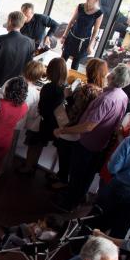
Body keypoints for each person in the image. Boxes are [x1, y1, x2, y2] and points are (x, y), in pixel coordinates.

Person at [52, 64, 130, 212]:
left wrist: (63, 130)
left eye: (111, 72)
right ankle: (78, 198)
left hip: (88, 143)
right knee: (86, 177)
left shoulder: (107, 99)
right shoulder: (123, 97)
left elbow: (88, 126)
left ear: (112, 77)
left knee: (77, 176)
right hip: (101, 143)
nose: (108, 73)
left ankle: (68, 204)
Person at [48, 58, 108, 188]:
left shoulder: (86, 89)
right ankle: (61, 176)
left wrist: (68, 96)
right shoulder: (101, 90)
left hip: (72, 128)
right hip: (82, 132)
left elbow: (75, 111)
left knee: (64, 155)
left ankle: (62, 180)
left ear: (89, 71)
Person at [20, 58, 67, 176]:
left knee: (33, 146)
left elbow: (42, 107)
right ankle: (33, 166)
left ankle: (27, 167)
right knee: (40, 145)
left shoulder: (48, 88)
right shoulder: (63, 88)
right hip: (51, 124)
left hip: (42, 122)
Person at [0, 11, 35, 93]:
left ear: (9, 21)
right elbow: (28, 66)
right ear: (22, 23)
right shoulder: (30, 43)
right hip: (14, 87)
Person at [61, 0, 104, 71]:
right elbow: (71, 22)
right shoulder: (80, 6)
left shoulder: (99, 13)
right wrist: (64, 36)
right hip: (71, 37)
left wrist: (90, 45)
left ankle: (71, 82)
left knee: (75, 64)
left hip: (83, 42)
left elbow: (95, 31)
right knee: (62, 60)